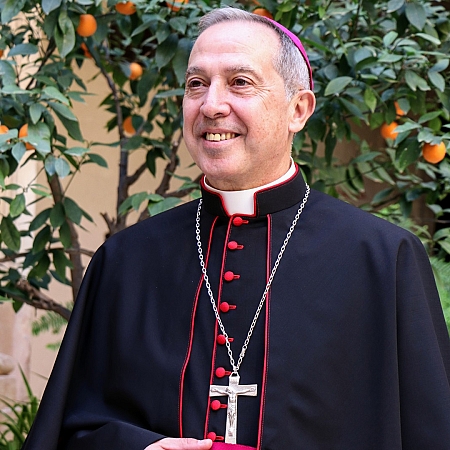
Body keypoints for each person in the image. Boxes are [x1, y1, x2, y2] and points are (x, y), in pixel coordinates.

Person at [23, 7, 450, 450]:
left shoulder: (384, 260)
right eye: (196, 84)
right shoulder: (124, 259)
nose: (211, 105)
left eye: (240, 82)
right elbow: (70, 430)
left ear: (298, 110)